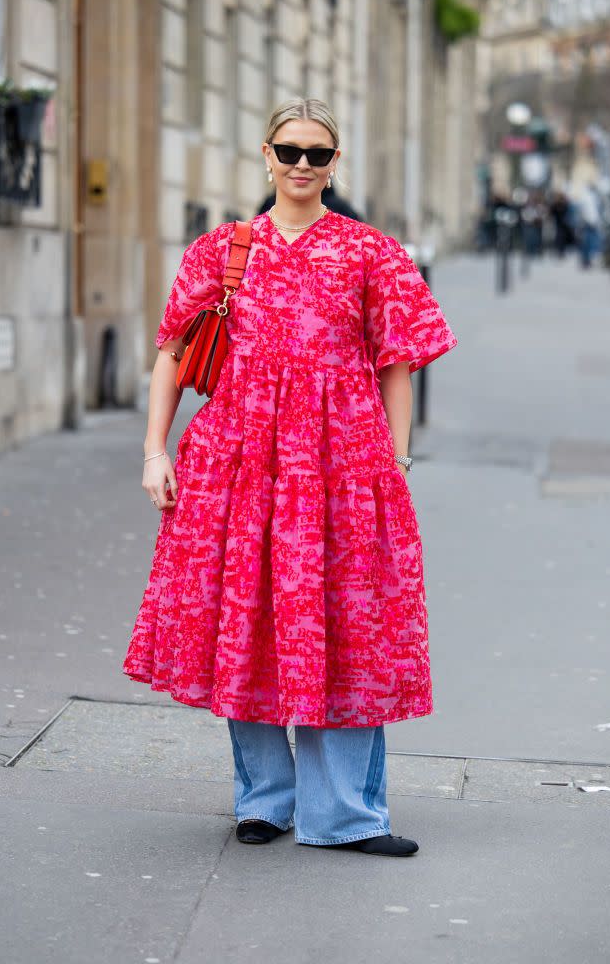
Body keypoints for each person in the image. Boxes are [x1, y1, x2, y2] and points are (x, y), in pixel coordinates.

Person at [122, 97, 458, 857]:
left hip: (343, 463)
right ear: (266, 156)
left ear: (335, 165)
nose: (303, 164)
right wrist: (155, 450)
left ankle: (343, 815)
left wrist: (395, 461)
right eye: (290, 150)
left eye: (318, 153)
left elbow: (397, 365)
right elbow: (172, 355)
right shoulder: (221, 250)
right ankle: (265, 803)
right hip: (237, 462)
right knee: (249, 624)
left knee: (347, 628)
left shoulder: (372, 252)